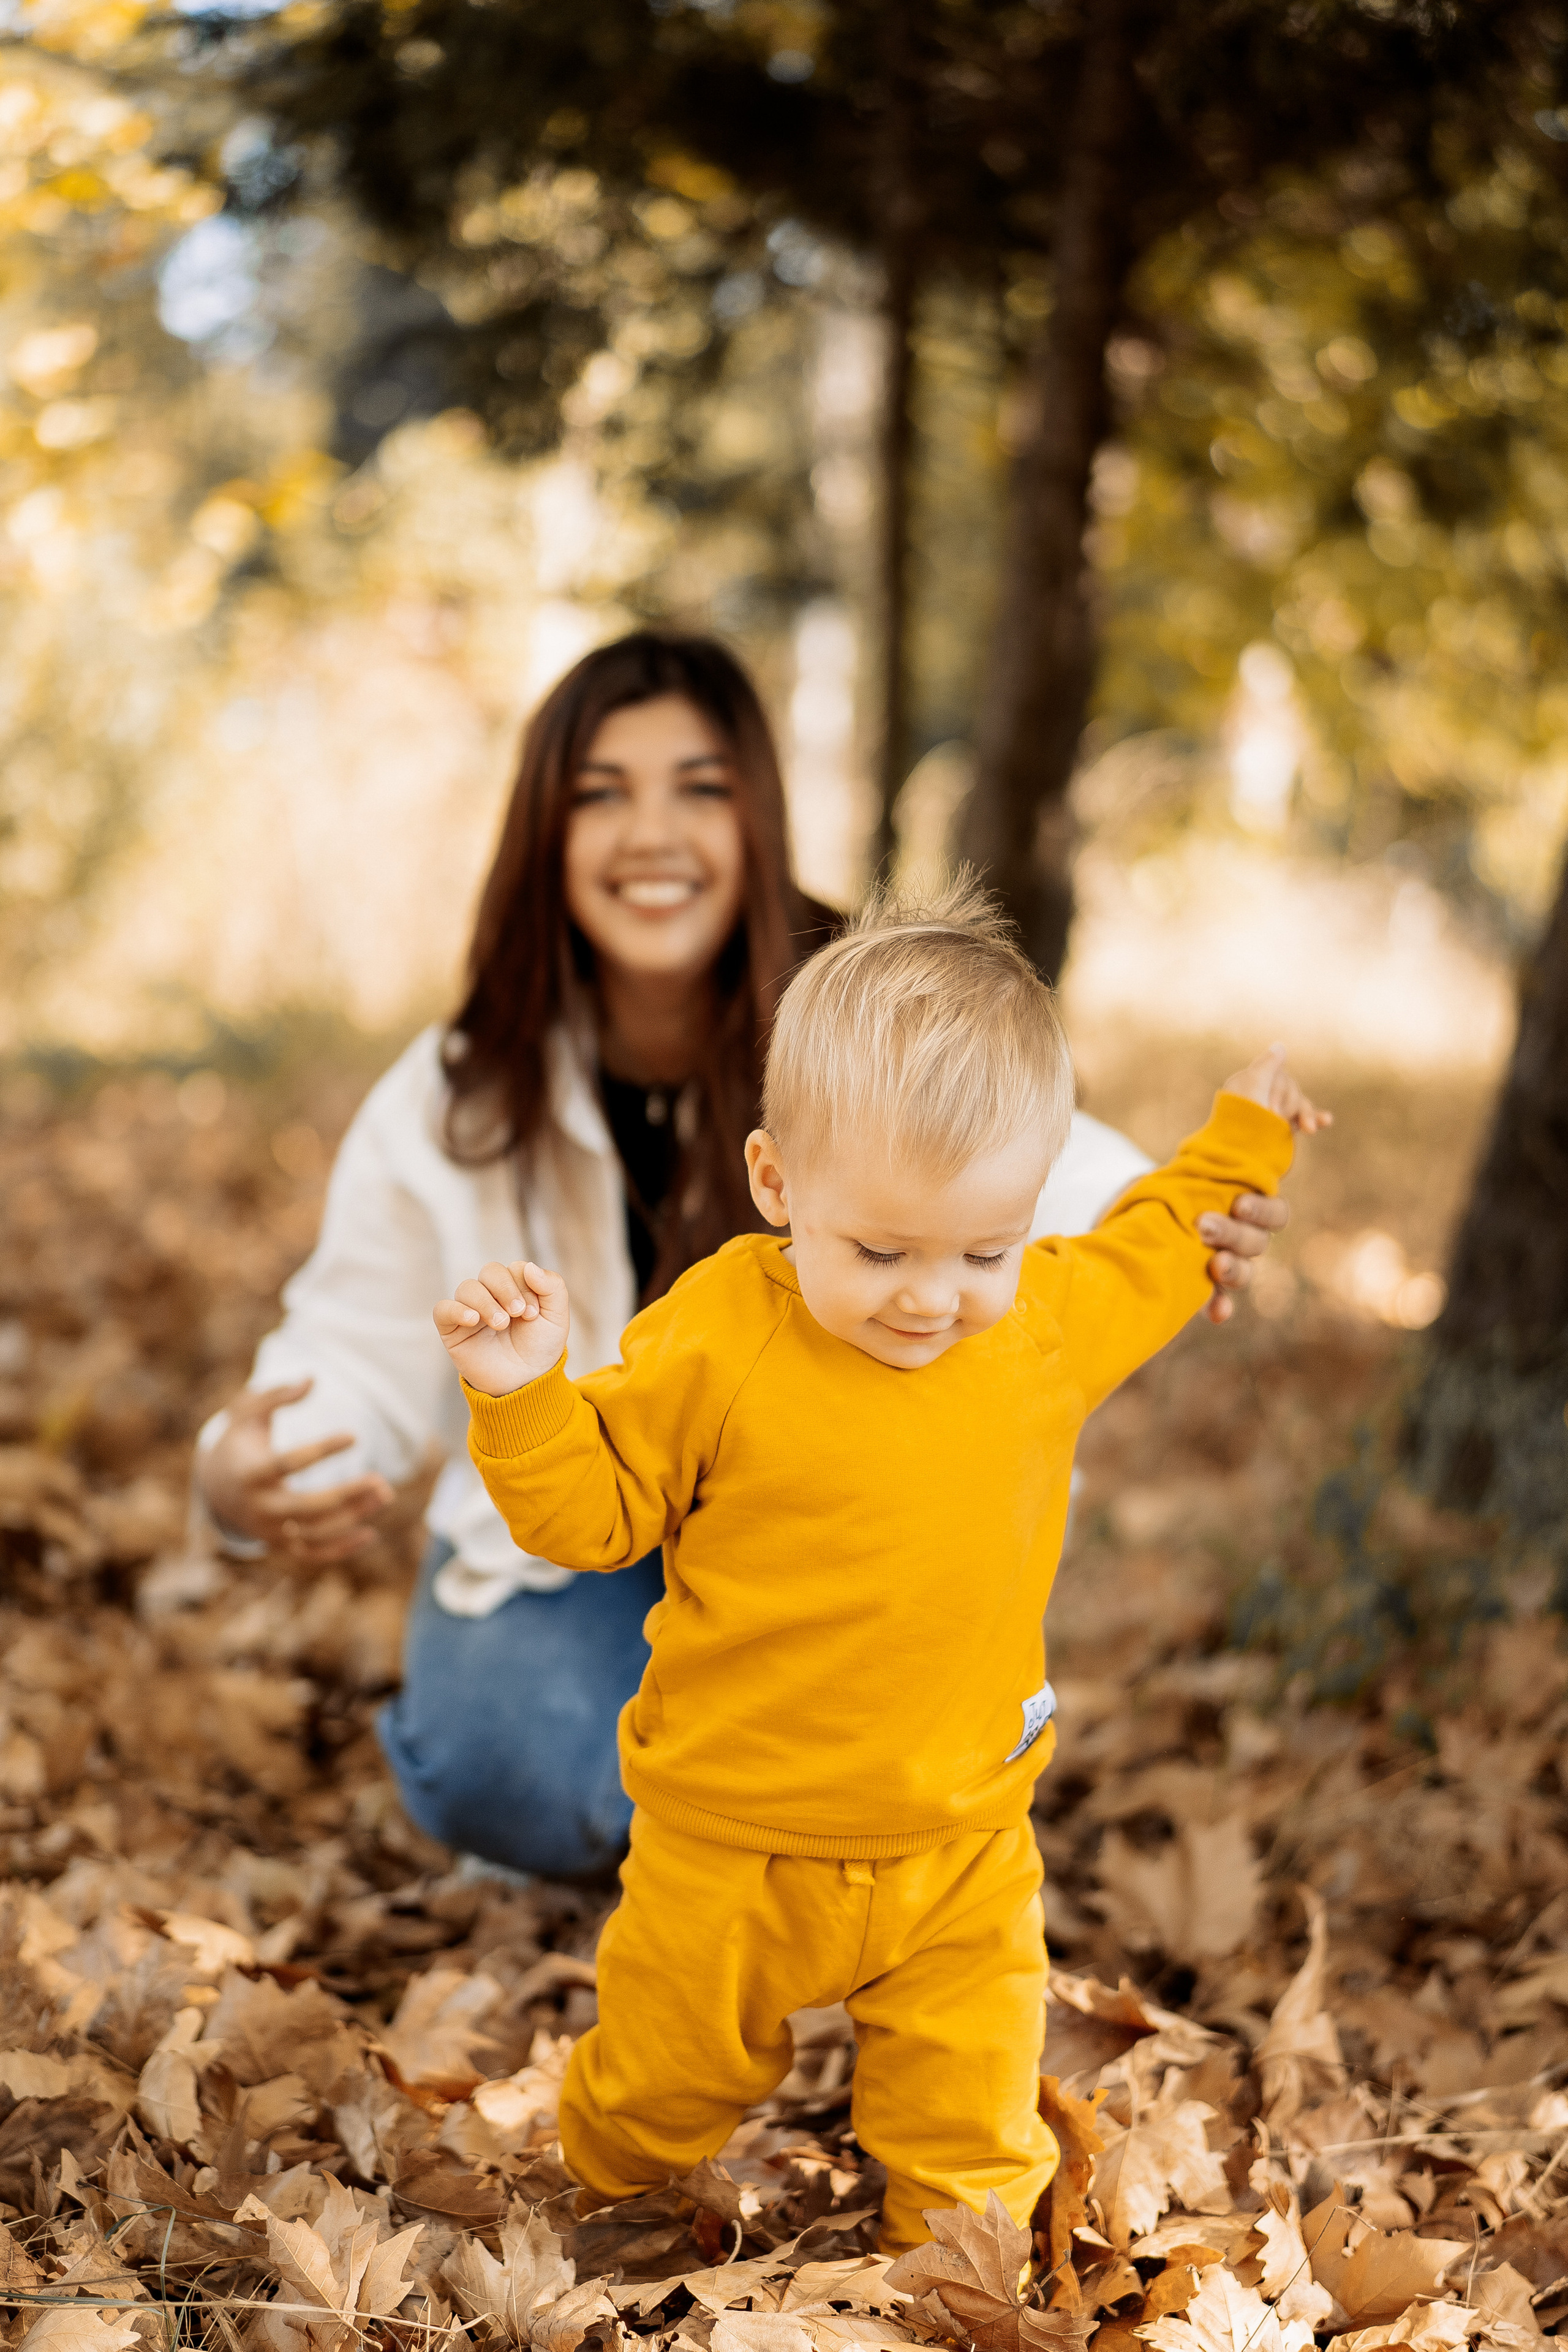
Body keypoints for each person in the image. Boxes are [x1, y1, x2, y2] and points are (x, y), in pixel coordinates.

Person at [192, 631, 1288, 1879]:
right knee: (504, 1765)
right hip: (577, 1537)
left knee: (810, 1763)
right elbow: (359, 1339)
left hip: (829, 1528)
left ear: (755, 815)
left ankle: (842, 1844)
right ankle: (762, 1850)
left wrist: (1186, 1208)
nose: (650, 833)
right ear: (543, 832)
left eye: (697, 790)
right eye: (602, 793)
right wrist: (244, 1471)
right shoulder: (457, 1090)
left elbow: (1055, 1174)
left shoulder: (853, 1011)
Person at [435, 878, 1329, 2252]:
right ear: (776, 1183)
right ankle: (594, 2221)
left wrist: (1247, 1133)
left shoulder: (1038, 1318)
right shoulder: (724, 1334)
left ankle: (956, 2286)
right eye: (878, 1249)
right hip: (731, 1840)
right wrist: (523, 1395)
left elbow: (1156, 1240)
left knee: (970, 2132)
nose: (930, 1294)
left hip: (961, 1841)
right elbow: (590, 1513)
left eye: (983, 1245)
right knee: (659, 2087)